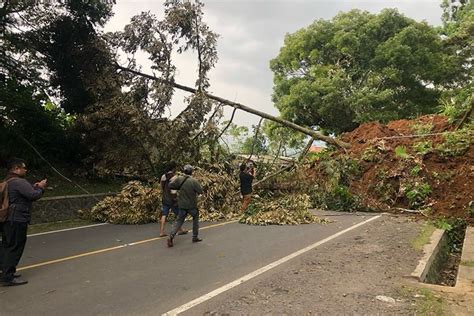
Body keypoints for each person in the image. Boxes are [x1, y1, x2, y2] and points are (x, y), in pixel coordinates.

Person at [1, 158, 47, 286]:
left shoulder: (7, 181)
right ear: (16, 169)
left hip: (7, 219)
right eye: (23, 167)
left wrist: (35, 187)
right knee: (15, 247)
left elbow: (23, 193)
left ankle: (4, 272)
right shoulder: (19, 182)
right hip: (17, 219)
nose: (25, 170)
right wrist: (41, 188)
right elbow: (33, 195)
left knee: (6, 245)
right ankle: (8, 277)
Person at [167, 165, 203, 247]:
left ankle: (171, 237)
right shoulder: (193, 181)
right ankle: (195, 237)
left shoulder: (179, 179)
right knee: (195, 218)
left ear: (184, 171)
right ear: (191, 172)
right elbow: (200, 191)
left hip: (182, 205)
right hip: (192, 205)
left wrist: (179, 188)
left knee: (179, 221)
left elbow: (170, 185)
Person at [159, 162, 187, 237]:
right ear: (174, 168)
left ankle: (162, 232)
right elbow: (175, 190)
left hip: (165, 198)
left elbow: (161, 187)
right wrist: (176, 198)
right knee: (178, 214)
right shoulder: (175, 177)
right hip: (172, 199)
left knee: (164, 214)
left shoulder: (163, 176)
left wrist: (164, 194)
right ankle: (180, 229)